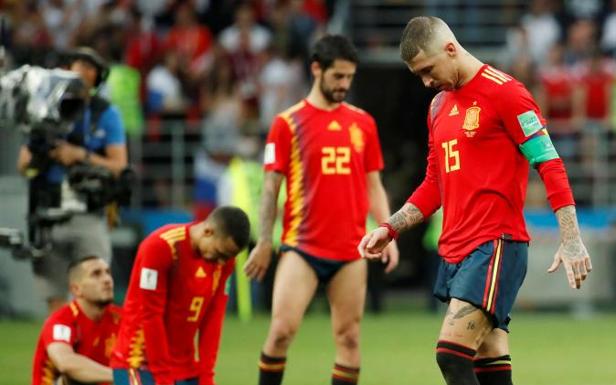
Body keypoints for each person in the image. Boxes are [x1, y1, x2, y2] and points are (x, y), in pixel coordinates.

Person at [358, 16, 592, 385]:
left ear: (450, 49)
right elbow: (435, 184)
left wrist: (572, 237)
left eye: (428, 69)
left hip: (495, 244)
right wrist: (391, 227)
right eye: (418, 75)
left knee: (450, 354)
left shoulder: (506, 93)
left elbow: (550, 163)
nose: (426, 81)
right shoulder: (437, 107)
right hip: (455, 249)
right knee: (490, 357)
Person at [244, 34, 399, 385]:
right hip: (302, 247)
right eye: (337, 77)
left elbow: (373, 184)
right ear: (317, 69)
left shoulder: (363, 123)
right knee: (281, 332)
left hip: (351, 249)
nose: (344, 84)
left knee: (349, 338)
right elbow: (271, 188)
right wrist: (265, 241)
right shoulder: (287, 123)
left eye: (349, 77)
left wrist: (389, 232)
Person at [17, 46, 127, 313]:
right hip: (48, 212)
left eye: (90, 68)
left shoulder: (105, 114)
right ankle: (61, 352)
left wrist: (79, 155)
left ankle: (91, 352)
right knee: (55, 301)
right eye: (77, 65)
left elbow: (119, 166)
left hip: (88, 211)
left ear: (97, 78)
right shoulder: (43, 110)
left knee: (96, 292)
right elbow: (23, 165)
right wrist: (43, 152)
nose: (82, 72)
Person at [110, 206, 250, 385]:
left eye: (228, 257)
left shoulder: (225, 262)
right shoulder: (161, 247)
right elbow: (151, 316)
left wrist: (207, 376)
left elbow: (213, 319)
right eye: (220, 254)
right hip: (138, 363)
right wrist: (162, 377)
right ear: (208, 231)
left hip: (185, 368)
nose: (221, 262)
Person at [31, 256, 121, 385]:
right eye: (96, 274)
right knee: (73, 377)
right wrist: (122, 377)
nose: (107, 280)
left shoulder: (122, 317)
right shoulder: (61, 321)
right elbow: (65, 362)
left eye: (108, 272)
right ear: (76, 289)